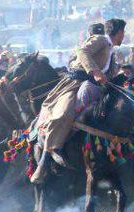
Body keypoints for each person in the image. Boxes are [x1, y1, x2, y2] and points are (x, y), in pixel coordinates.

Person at [31, 18, 127, 182]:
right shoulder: (101, 39)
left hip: (94, 87)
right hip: (75, 84)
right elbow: (82, 52)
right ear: (118, 33)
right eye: (123, 33)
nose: (124, 36)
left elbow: (107, 75)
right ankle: (44, 161)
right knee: (62, 114)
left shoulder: (111, 51)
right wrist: (95, 71)